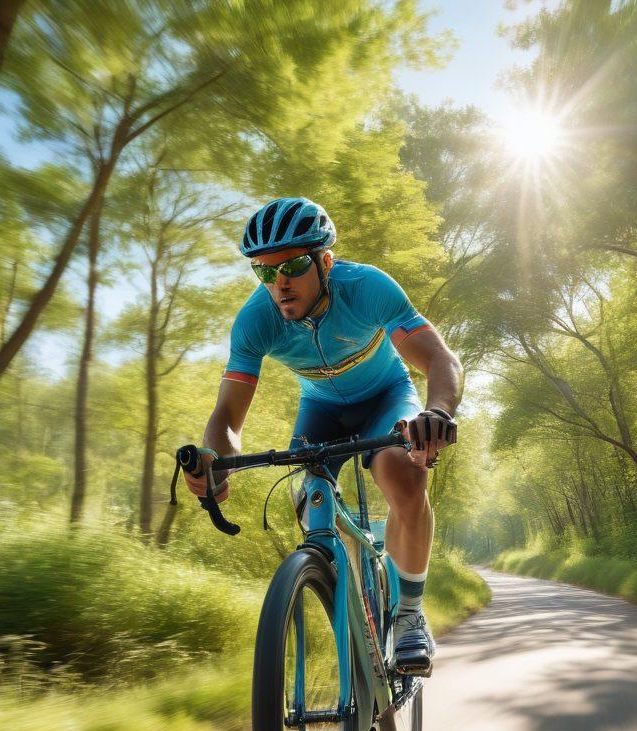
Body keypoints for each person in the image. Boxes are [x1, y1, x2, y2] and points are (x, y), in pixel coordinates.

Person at [185, 197, 462, 675]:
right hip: (321, 410)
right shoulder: (256, 320)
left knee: (401, 473)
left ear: (325, 261)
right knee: (307, 496)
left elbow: (441, 359)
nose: (279, 282)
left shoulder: (367, 287)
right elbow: (228, 415)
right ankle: (350, 601)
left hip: (387, 396)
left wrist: (435, 412)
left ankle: (411, 613)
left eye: (292, 265)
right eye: (264, 271)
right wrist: (216, 461)